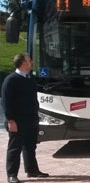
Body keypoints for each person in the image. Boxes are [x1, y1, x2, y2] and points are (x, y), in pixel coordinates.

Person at [2, 54, 49, 183]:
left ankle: (32, 170)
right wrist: (10, 120)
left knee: (30, 147)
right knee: (15, 148)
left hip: (31, 120)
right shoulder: (11, 80)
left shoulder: (30, 79)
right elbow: (6, 102)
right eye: (29, 60)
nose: (31, 62)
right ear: (23, 63)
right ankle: (12, 175)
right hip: (17, 122)